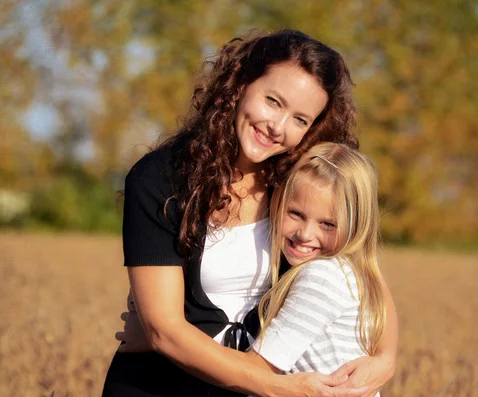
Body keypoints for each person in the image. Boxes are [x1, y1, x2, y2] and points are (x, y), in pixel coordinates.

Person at [103, 29, 397, 397]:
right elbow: (164, 331)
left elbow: (363, 271)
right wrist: (279, 388)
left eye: (300, 120)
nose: (278, 127)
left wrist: (385, 358)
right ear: (240, 83)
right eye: (273, 101)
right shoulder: (160, 180)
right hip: (166, 385)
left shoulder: (299, 179)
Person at [241, 143, 386, 397]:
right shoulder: (348, 271)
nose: (305, 234)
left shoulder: (322, 279)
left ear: (357, 225)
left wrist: (175, 340)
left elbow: (256, 370)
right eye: (296, 214)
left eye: (328, 224)